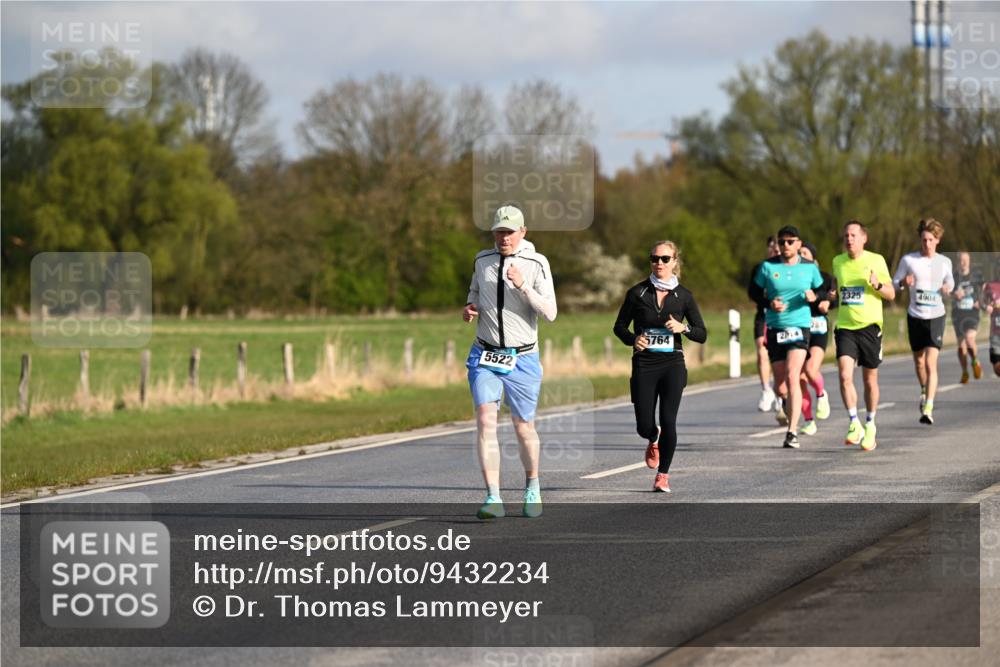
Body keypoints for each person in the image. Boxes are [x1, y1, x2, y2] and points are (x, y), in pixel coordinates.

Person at [463, 205, 557, 519]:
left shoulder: (536, 262)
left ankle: (532, 485)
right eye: (499, 231)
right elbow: (474, 291)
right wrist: (470, 307)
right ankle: (493, 497)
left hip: (523, 358)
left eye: (509, 232)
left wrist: (522, 286)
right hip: (485, 354)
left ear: (523, 232)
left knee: (522, 427)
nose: (503, 238)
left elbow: (550, 312)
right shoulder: (481, 260)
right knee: (486, 421)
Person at [614, 240, 707, 493]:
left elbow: (702, 333)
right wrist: (634, 339)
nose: (659, 263)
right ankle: (651, 437)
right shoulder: (637, 293)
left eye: (665, 259)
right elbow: (619, 327)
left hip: (672, 363)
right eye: (655, 258)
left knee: (669, 420)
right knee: (644, 424)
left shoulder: (684, 296)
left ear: (674, 262)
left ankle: (663, 475)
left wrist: (683, 328)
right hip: (644, 363)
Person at [753, 225, 823, 449]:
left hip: (800, 328)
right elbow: (753, 292)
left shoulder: (809, 268)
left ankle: (792, 431)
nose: (785, 245)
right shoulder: (768, 267)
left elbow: (823, 290)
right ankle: (784, 401)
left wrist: (815, 297)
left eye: (790, 241)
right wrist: (768, 303)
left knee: (794, 375)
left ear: (799, 244)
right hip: (775, 328)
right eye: (782, 242)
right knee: (781, 386)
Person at [831, 220, 895, 451]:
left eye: (854, 235)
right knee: (844, 376)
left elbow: (891, 294)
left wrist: (877, 285)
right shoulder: (838, 262)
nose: (849, 239)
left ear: (863, 238)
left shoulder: (876, 260)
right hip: (846, 327)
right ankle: (853, 422)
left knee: (870, 380)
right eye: (846, 235)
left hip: (870, 327)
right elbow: (837, 289)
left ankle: (870, 424)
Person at [892, 218, 954, 425]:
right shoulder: (909, 260)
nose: (926, 243)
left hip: (936, 316)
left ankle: (928, 407)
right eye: (924, 239)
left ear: (937, 240)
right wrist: (903, 282)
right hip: (915, 316)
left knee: (930, 362)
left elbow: (951, 281)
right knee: (918, 361)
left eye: (930, 240)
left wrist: (947, 288)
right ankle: (924, 389)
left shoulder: (944, 262)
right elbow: (894, 284)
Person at [797, 241, 837, 436]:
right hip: (799, 328)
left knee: (811, 370)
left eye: (804, 253)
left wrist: (826, 302)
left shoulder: (826, 278)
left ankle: (821, 394)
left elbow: (833, 296)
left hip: (818, 328)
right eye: (799, 254)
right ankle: (808, 420)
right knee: (799, 377)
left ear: (814, 259)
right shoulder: (794, 277)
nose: (801, 257)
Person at [748, 237, 781, 415]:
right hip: (764, 314)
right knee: (761, 349)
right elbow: (753, 293)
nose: (776, 250)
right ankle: (766, 390)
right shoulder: (760, 268)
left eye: (778, 247)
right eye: (772, 247)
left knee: (778, 354)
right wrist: (767, 300)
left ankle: (780, 392)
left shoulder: (787, 268)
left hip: (783, 317)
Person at [951, 251, 985, 383]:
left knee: (970, 339)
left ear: (969, 261)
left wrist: (980, 301)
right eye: (961, 260)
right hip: (958, 313)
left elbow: (985, 290)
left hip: (972, 312)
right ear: (958, 261)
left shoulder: (976, 275)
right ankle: (964, 371)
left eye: (966, 259)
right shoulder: (953, 277)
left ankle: (975, 362)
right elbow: (946, 291)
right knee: (961, 345)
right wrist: (954, 294)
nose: (963, 262)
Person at [983, 278, 1000, 377]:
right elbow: (982, 301)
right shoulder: (990, 285)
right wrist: (986, 306)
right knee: (996, 367)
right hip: (995, 332)